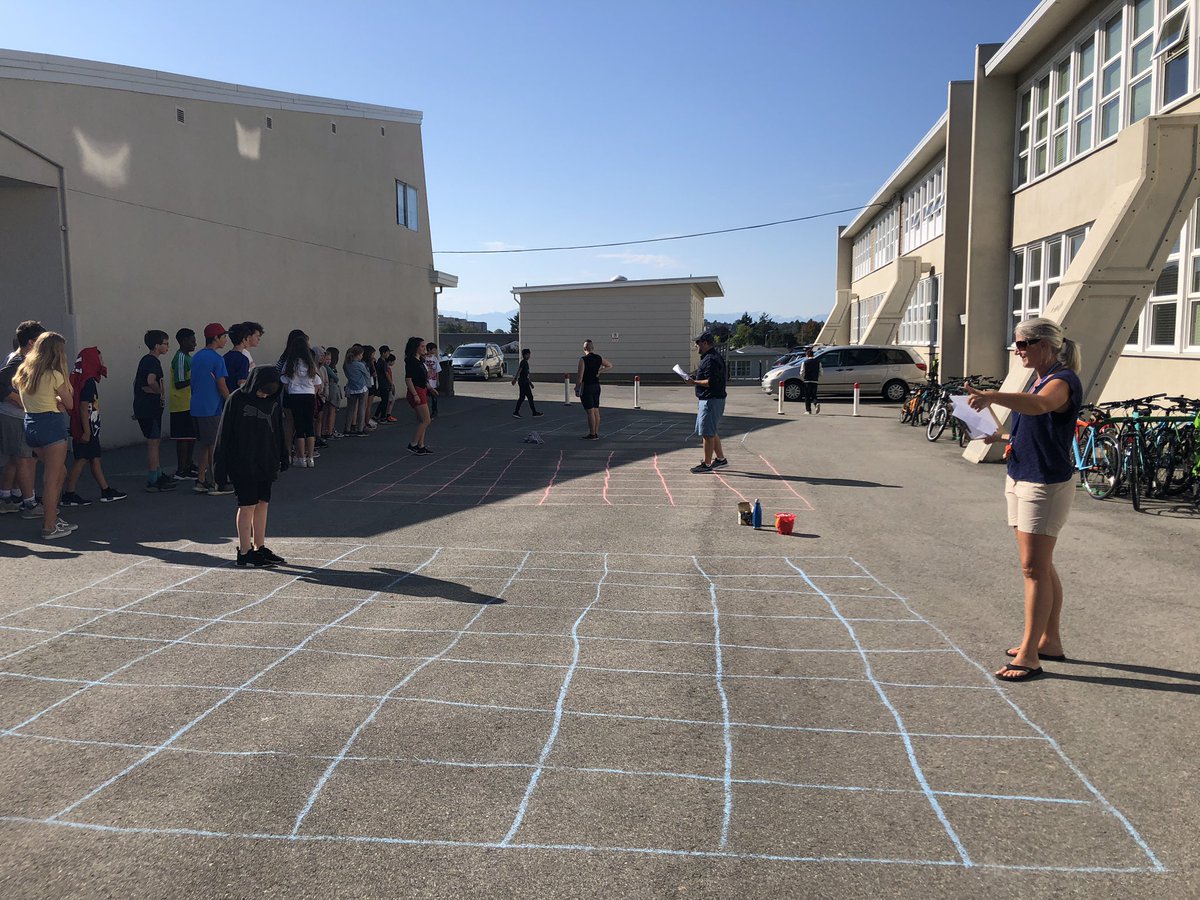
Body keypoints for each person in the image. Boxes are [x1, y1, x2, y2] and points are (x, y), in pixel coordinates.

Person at [965, 317, 1083, 683]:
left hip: (1044, 484)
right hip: (1021, 475)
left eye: (1021, 345)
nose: (1017, 351)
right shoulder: (1039, 380)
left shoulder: (1061, 381)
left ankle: (1030, 654)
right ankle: (1050, 640)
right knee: (1040, 566)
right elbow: (1035, 426)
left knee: (1033, 569)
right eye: (1016, 345)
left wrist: (992, 396)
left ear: (1043, 345)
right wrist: (999, 437)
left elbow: (1041, 407)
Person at [213, 366, 290, 568]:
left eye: (269, 392)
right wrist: (219, 470)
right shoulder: (236, 399)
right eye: (262, 391)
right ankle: (244, 551)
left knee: (263, 503)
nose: (264, 395)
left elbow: (279, 429)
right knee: (247, 504)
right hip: (242, 462)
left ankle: (259, 546)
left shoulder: (272, 400)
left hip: (266, 460)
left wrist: (283, 455)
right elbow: (223, 435)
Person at [13, 332, 76, 540]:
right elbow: (70, 403)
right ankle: (49, 526)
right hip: (51, 424)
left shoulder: (24, 371)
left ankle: (51, 517)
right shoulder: (54, 375)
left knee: (60, 473)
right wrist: (60, 397)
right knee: (51, 478)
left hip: (31, 424)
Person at [61, 346, 127, 506]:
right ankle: (69, 493)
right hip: (87, 427)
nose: (102, 362)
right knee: (81, 459)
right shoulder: (88, 381)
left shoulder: (82, 379)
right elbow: (84, 406)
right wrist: (87, 431)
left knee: (94, 458)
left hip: (89, 427)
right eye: (100, 359)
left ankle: (105, 490)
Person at [0, 321, 44, 517]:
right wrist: (18, 400)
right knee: (25, 459)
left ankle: (8, 497)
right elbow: (1, 383)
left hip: (14, 415)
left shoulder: (18, 358)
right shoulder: (18, 360)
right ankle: (29, 503)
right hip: (15, 416)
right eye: (41, 341)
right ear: (31, 342)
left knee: (16, 459)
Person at [191, 323, 233, 494]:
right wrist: (231, 400)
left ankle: (201, 480)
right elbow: (221, 384)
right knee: (214, 446)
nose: (225, 340)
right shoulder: (217, 359)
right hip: (211, 408)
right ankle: (217, 482)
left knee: (204, 444)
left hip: (196, 406)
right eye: (223, 336)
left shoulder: (197, 357)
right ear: (216, 338)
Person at [133, 330, 177, 492]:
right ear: (157, 346)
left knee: (156, 441)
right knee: (153, 442)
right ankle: (153, 479)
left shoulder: (147, 361)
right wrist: (158, 391)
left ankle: (158, 472)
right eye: (165, 343)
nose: (167, 346)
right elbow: (150, 381)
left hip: (149, 408)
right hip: (149, 409)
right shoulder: (152, 362)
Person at [280, 330, 322, 467]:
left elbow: (284, 379)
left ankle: (300, 457)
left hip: (294, 395)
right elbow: (317, 381)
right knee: (309, 426)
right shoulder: (310, 363)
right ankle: (310, 457)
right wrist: (313, 393)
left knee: (298, 426)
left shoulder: (290, 362)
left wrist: (290, 390)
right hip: (309, 395)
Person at [687, 333, 728, 473]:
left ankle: (707, 464)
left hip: (711, 400)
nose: (696, 346)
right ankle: (721, 459)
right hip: (710, 399)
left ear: (705, 343)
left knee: (707, 433)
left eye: (697, 343)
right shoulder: (710, 358)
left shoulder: (711, 359)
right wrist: (695, 378)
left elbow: (711, 382)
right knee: (712, 430)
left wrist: (694, 382)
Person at [169, 327, 197, 480]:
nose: (195, 343)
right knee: (182, 438)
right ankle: (181, 470)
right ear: (183, 341)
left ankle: (188, 464)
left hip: (190, 402)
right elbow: (179, 383)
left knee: (191, 436)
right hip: (180, 404)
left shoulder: (188, 358)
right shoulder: (180, 358)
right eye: (192, 341)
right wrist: (196, 379)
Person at [576, 339, 612, 440]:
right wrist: (600, 371)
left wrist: (577, 387)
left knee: (590, 411)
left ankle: (592, 434)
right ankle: (595, 432)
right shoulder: (598, 358)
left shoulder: (583, 359)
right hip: (596, 386)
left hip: (587, 386)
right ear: (593, 348)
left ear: (584, 348)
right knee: (596, 410)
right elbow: (610, 365)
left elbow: (580, 376)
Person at [403, 336, 433, 454]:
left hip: (422, 389)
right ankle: (413, 444)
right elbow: (408, 379)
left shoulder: (420, 360)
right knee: (426, 420)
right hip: (416, 391)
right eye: (422, 346)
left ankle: (421, 446)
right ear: (415, 347)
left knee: (422, 420)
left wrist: (429, 387)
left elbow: (423, 377)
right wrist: (415, 394)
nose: (424, 348)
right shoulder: (411, 361)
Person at [343, 345, 370, 436]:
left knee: (350, 408)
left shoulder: (347, 364)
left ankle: (347, 428)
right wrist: (368, 385)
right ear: (358, 355)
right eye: (361, 355)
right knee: (362, 408)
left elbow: (346, 373)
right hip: (362, 387)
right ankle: (360, 428)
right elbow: (366, 374)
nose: (362, 356)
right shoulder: (360, 365)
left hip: (351, 387)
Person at [511, 348, 543, 418]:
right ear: (525, 355)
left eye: (529, 354)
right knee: (529, 397)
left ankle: (517, 411)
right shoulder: (523, 362)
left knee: (523, 397)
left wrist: (530, 383)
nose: (529, 356)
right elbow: (519, 370)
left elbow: (526, 375)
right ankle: (532, 412)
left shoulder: (526, 363)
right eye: (528, 354)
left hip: (525, 382)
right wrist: (515, 379)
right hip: (523, 382)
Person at [223, 323, 253, 392]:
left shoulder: (225, 357)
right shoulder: (243, 359)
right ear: (243, 339)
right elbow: (242, 382)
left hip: (225, 395)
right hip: (236, 396)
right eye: (248, 338)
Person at [374, 345, 394, 423]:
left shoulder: (380, 361)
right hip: (384, 384)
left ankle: (376, 415)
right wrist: (391, 383)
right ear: (383, 353)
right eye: (387, 352)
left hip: (382, 383)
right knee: (385, 401)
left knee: (383, 401)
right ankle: (382, 417)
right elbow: (386, 373)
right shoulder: (383, 362)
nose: (388, 354)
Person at [801, 347, 821, 415]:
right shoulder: (818, 362)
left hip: (807, 381)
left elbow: (802, 372)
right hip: (815, 380)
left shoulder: (805, 362)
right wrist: (817, 376)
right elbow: (821, 372)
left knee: (807, 396)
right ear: (813, 355)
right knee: (814, 395)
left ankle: (808, 410)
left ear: (807, 355)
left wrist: (803, 377)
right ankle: (816, 403)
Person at [423, 342, 441, 419]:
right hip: (426, 381)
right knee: (425, 398)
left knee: (434, 397)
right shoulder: (424, 358)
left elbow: (437, 370)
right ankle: (424, 412)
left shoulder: (435, 358)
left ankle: (434, 411)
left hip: (433, 381)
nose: (434, 351)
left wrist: (437, 380)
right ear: (429, 349)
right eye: (433, 349)